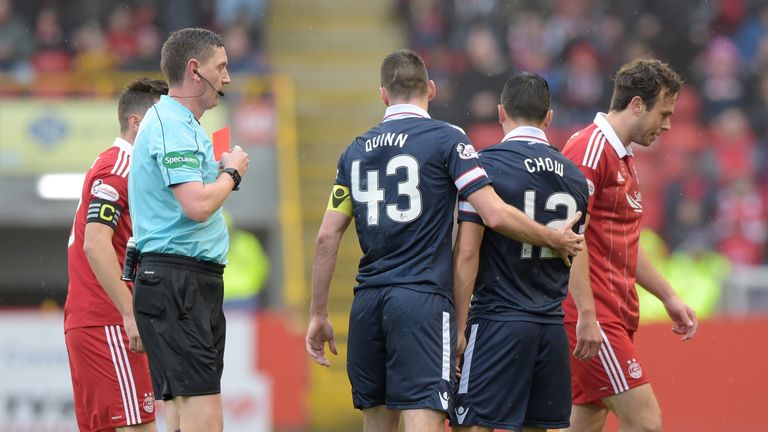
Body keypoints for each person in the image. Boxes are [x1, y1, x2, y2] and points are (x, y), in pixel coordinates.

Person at [305, 49, 584, 432]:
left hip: (367, 302)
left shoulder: (353, 151)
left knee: (376, 425)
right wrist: (554, 237)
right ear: (431, 89)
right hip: (421, 301)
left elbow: (326, 236)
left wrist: (319, 314)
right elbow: (495, 214)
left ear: (383, 94)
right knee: (425, 421)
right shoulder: (447, 139)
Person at [450, 72, 602, 432]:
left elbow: (468, 253)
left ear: (501, 112)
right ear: (548, 117)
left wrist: (458, 327)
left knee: (471, 425)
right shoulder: (575, 177)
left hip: (497, 320)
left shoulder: (485, 166)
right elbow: (577, 250)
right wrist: (587, 313)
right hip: (549, 327)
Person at [560, 58, 698, 432]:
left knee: (585, 420)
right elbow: (568, 233)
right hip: (594, 317)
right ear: (636, 104)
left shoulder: (622, 156)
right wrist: (587, 315)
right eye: (663, 114)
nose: (668, 125)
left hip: (612, 314)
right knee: (645, 421)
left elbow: (626, 245)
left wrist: (667, 296)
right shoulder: (590, 149)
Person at [128, 28, 249, 432]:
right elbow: (197, 205)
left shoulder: (187, 124)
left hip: (185, 281)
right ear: (195, 71)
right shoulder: (172, 123)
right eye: (222, 67)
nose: (228, 78)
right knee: (204, 418)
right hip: (176, 282)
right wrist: (231, 174)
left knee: (184, 416)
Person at [64, 77, 168, 432]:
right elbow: (95, 242)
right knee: (140, 427)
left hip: (95, 322)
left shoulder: (123, 168)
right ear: (136, 122)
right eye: (159, 121)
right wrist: (129, 313)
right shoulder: (118, 169)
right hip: (107, 323)